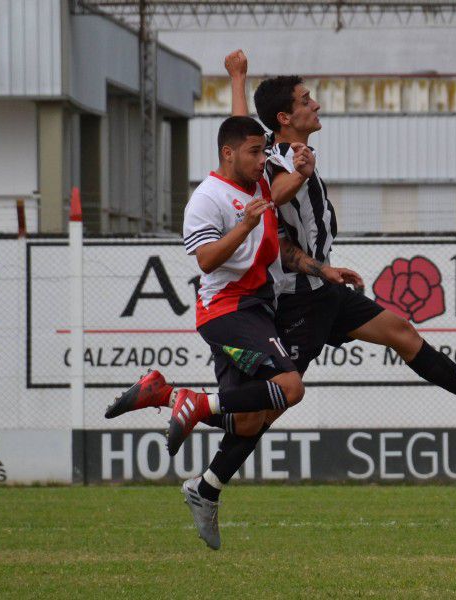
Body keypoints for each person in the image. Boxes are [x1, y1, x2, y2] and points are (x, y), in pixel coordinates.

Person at [228, 49, 456, 428]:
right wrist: (301, 174)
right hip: (299, 299)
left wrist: (238, 77)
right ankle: (204, 450)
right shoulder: (279, 158)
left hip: (323, 288)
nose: (317, 104)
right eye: (306, 100)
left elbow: (240, 127)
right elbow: (271, 194)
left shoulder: (285, 152)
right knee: (264, 411)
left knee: (402, 333)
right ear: (284, 117)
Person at [105, 114, 359, 550]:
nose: (263, 159)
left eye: (264, 151)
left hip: (256, 308)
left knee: (248, 420)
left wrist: (321, 263)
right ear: (228, 153)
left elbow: (244, 125)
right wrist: (243, 225)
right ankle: (194, 402)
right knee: (290, 388)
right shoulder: (207, 200)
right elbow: (205, 261)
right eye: (255, 152)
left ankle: (171, 414)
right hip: (227, 310)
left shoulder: (255, 184)